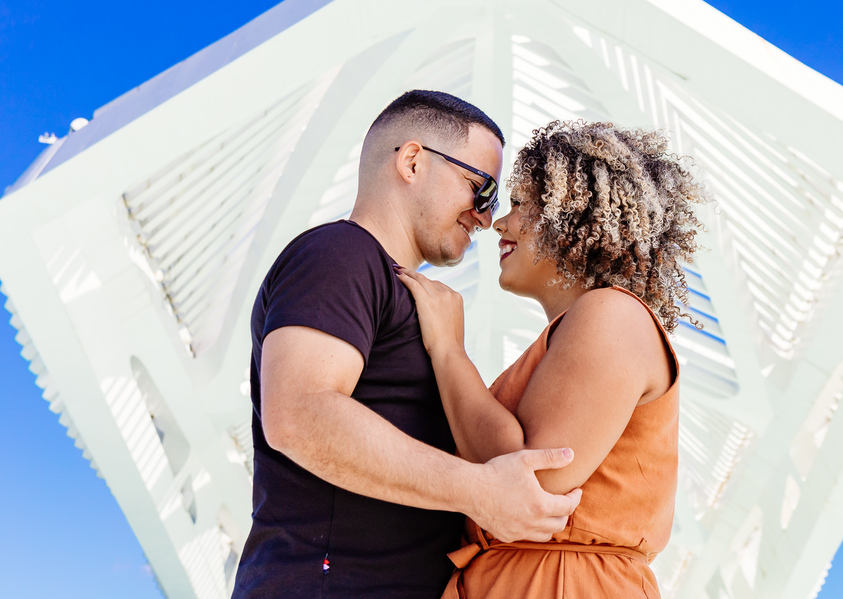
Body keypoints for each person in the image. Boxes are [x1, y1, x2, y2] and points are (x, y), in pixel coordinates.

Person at [232, 91, 582, 599]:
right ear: (413, 161)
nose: (486, 217)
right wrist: (478, 491)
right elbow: (299, 414)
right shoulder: (339, 254)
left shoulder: (406, 295)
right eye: (480, 189)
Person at [396, 119, 706, 598]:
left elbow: (532, 478)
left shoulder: (614, 315)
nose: (499, 223)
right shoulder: (580, 331)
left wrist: (448, 351)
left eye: (520, 204)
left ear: (573, 211)